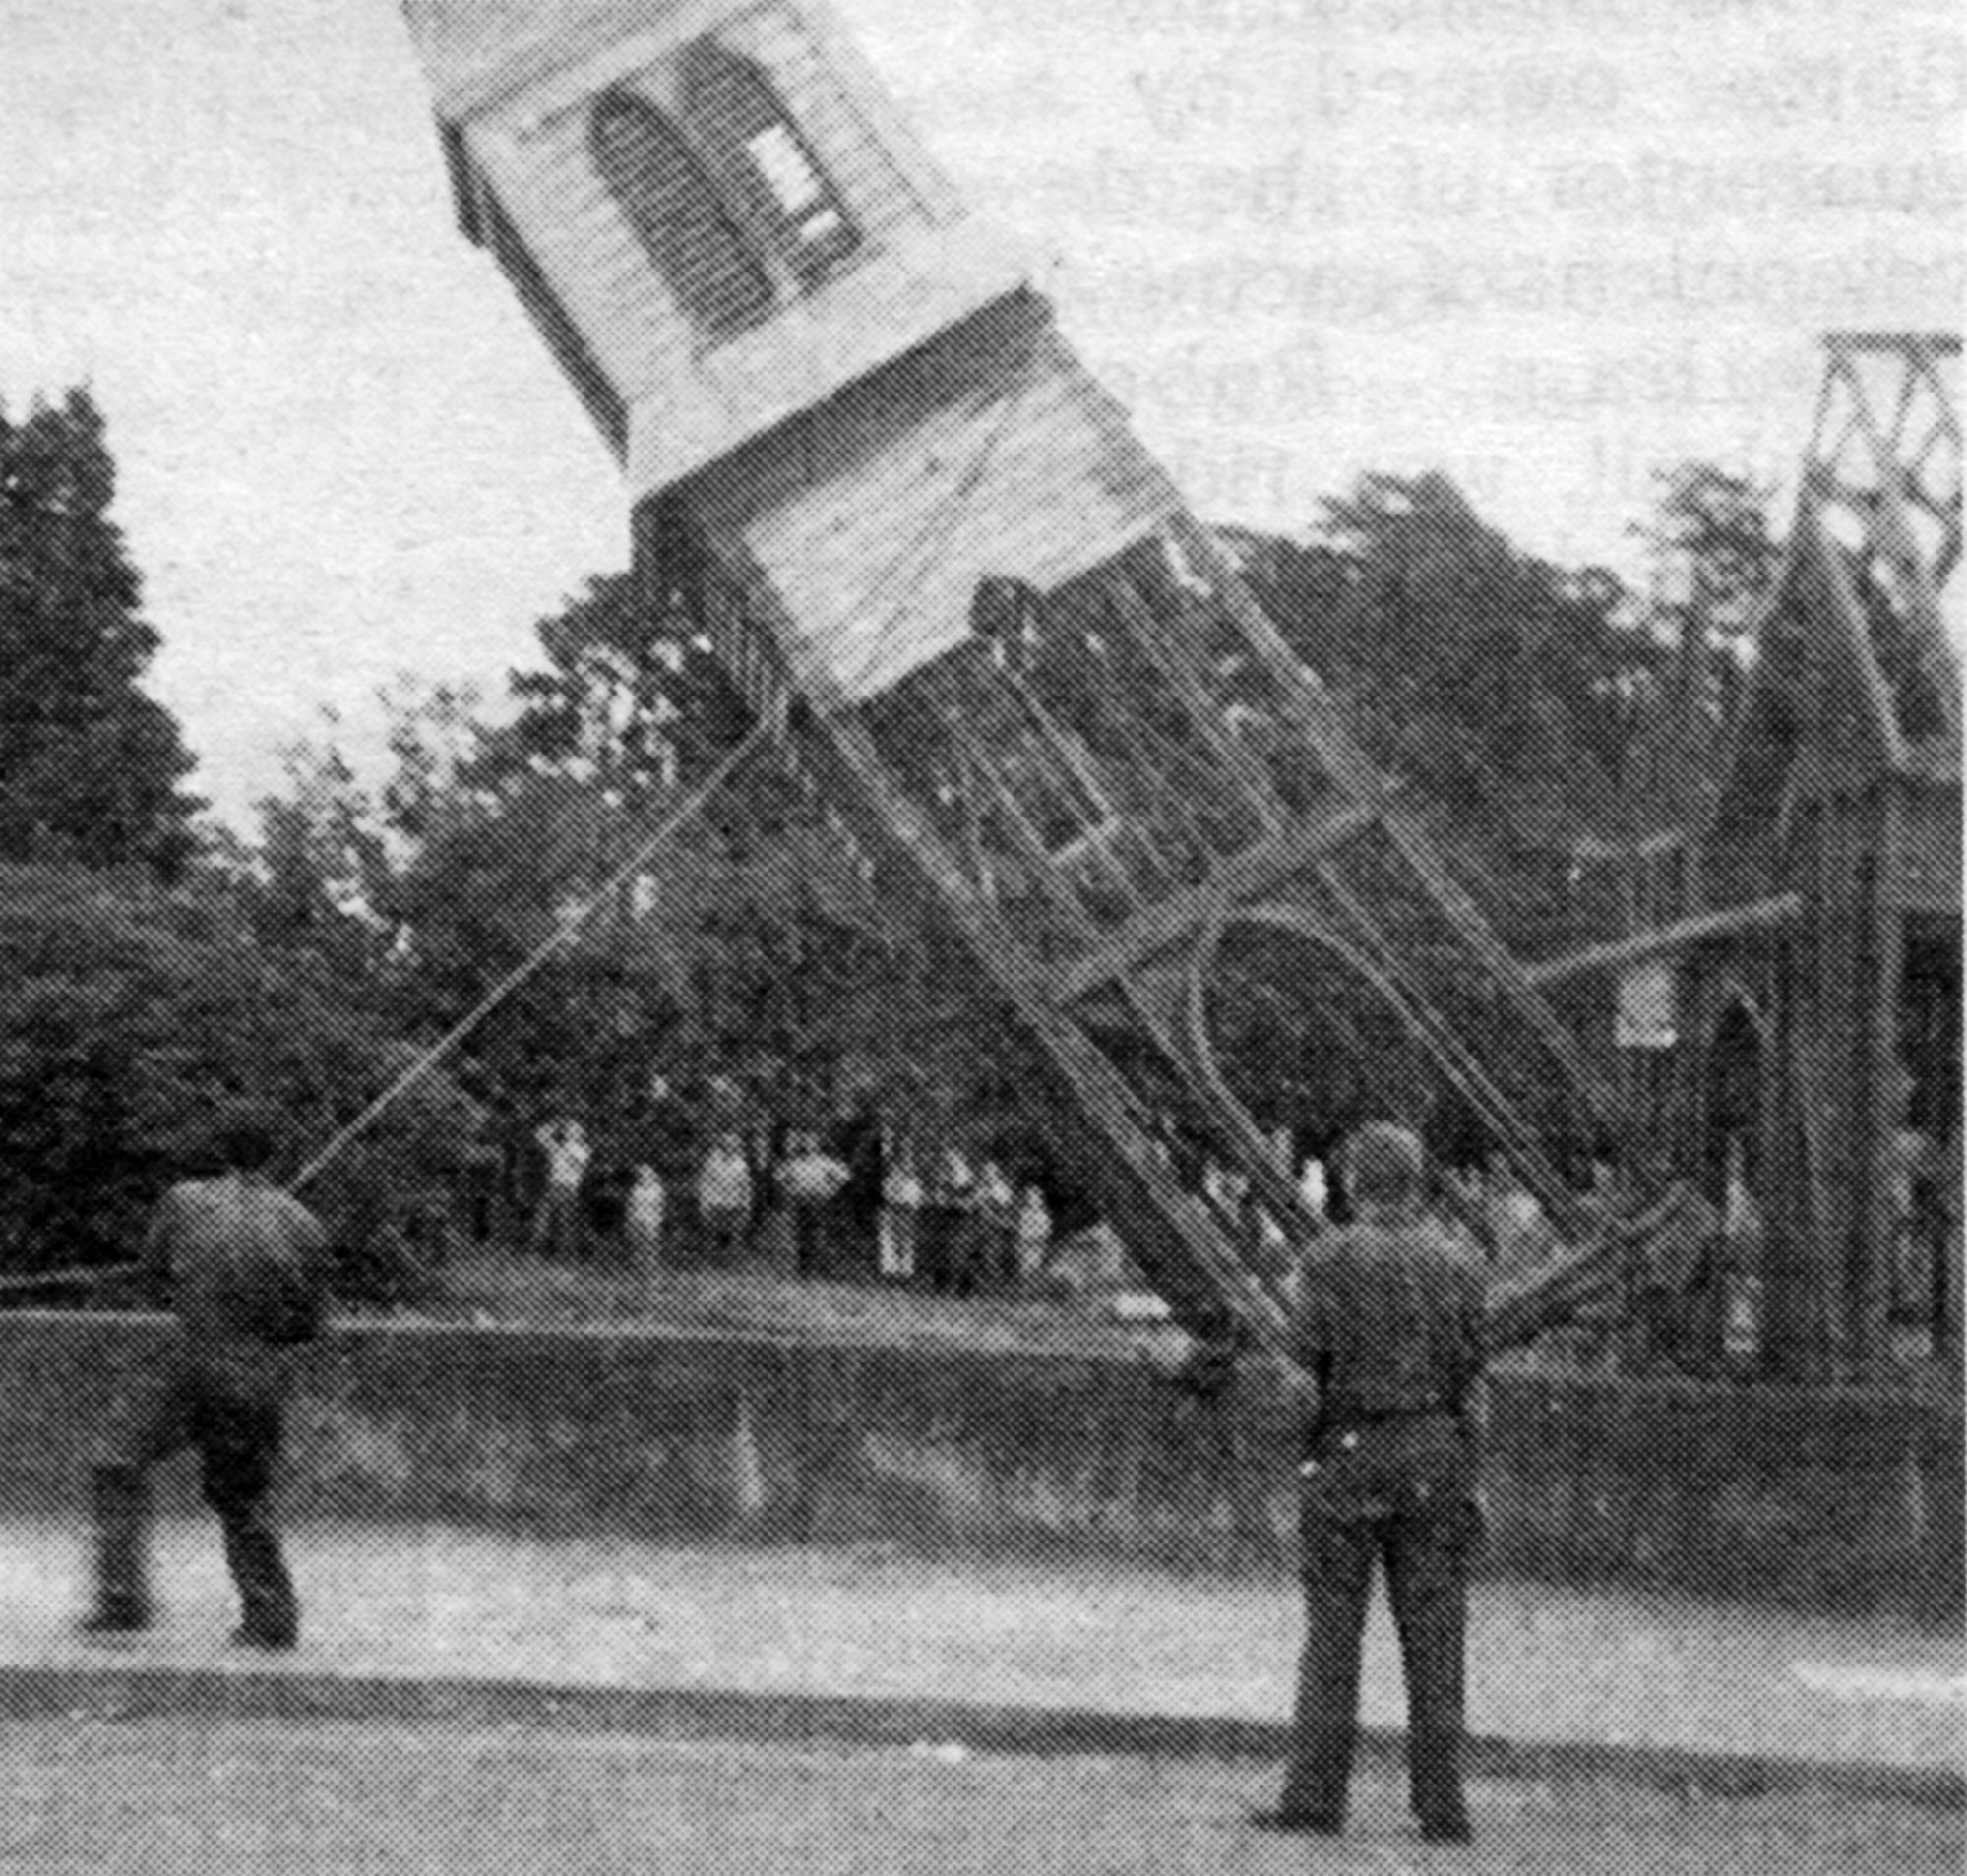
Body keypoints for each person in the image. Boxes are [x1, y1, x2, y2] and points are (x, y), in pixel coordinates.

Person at [1256, 1122, 1485, 1846]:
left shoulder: (1326, 1260)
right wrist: (1467, 1469)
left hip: (1348, 1455)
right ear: (1417, 1182)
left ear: (1354, 1183)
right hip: (1434, 1455)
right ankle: (1443, 1805)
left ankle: (1315, 1797)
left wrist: (1302, 1454)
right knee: (1436, 1637)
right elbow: (1473, 1386)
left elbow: (1301, 1383)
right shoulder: (1460, 1262)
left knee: (1332, 1634)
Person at [85, 1114, 331, 1650]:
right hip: (255, 1374)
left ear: (220, 1153)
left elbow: (154, 1276)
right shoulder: (303, 1223)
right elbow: (309, 1325)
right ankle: (270, 1617)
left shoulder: (183, 1201)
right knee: (243, 1496)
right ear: (273, 1156)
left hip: (192, 1365)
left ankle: (122, 1601)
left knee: (116, 1460)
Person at [530, 1115, 591, 1261]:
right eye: (567, 1131)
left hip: (567, 1189)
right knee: (544, 1221)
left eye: (570, 1131)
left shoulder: (582, 1150)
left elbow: (577, 1162)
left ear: (578, 1134)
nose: (567, 1133)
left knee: (564, 1223)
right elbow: (539, 1135)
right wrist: (554, 1124)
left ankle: (568, 1256)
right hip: (554, 1187)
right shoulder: (561, 1148)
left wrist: (558, 1134)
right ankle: (543, 1253)